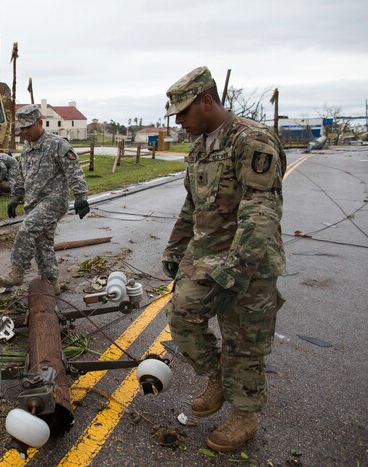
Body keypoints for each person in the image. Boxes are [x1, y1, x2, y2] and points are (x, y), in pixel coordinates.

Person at [161, 66, 286, 452]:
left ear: (207, 102)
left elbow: (261, 211)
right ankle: (215, 377)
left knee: (244, 342)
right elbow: (191, 206)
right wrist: (175, 247)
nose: (178, 121)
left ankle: (244, 416)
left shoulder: (252, 140)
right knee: (181, 319)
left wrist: (234, 273)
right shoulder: (201, 146)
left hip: (249, 263)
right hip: (204, 256)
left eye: (183, 112)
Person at [0, 104, 90, 294]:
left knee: (26, 229)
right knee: (42, 245)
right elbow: (22, 176)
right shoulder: (27, 149)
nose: (25, 132)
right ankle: (52, 283)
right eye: (22, 128)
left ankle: (17, 272)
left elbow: (74, 171)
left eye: (28, 127)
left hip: (53, 201)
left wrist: (80, 196)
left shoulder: (57, 145)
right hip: (33, 203)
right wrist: (15, 198)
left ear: (40, 122)